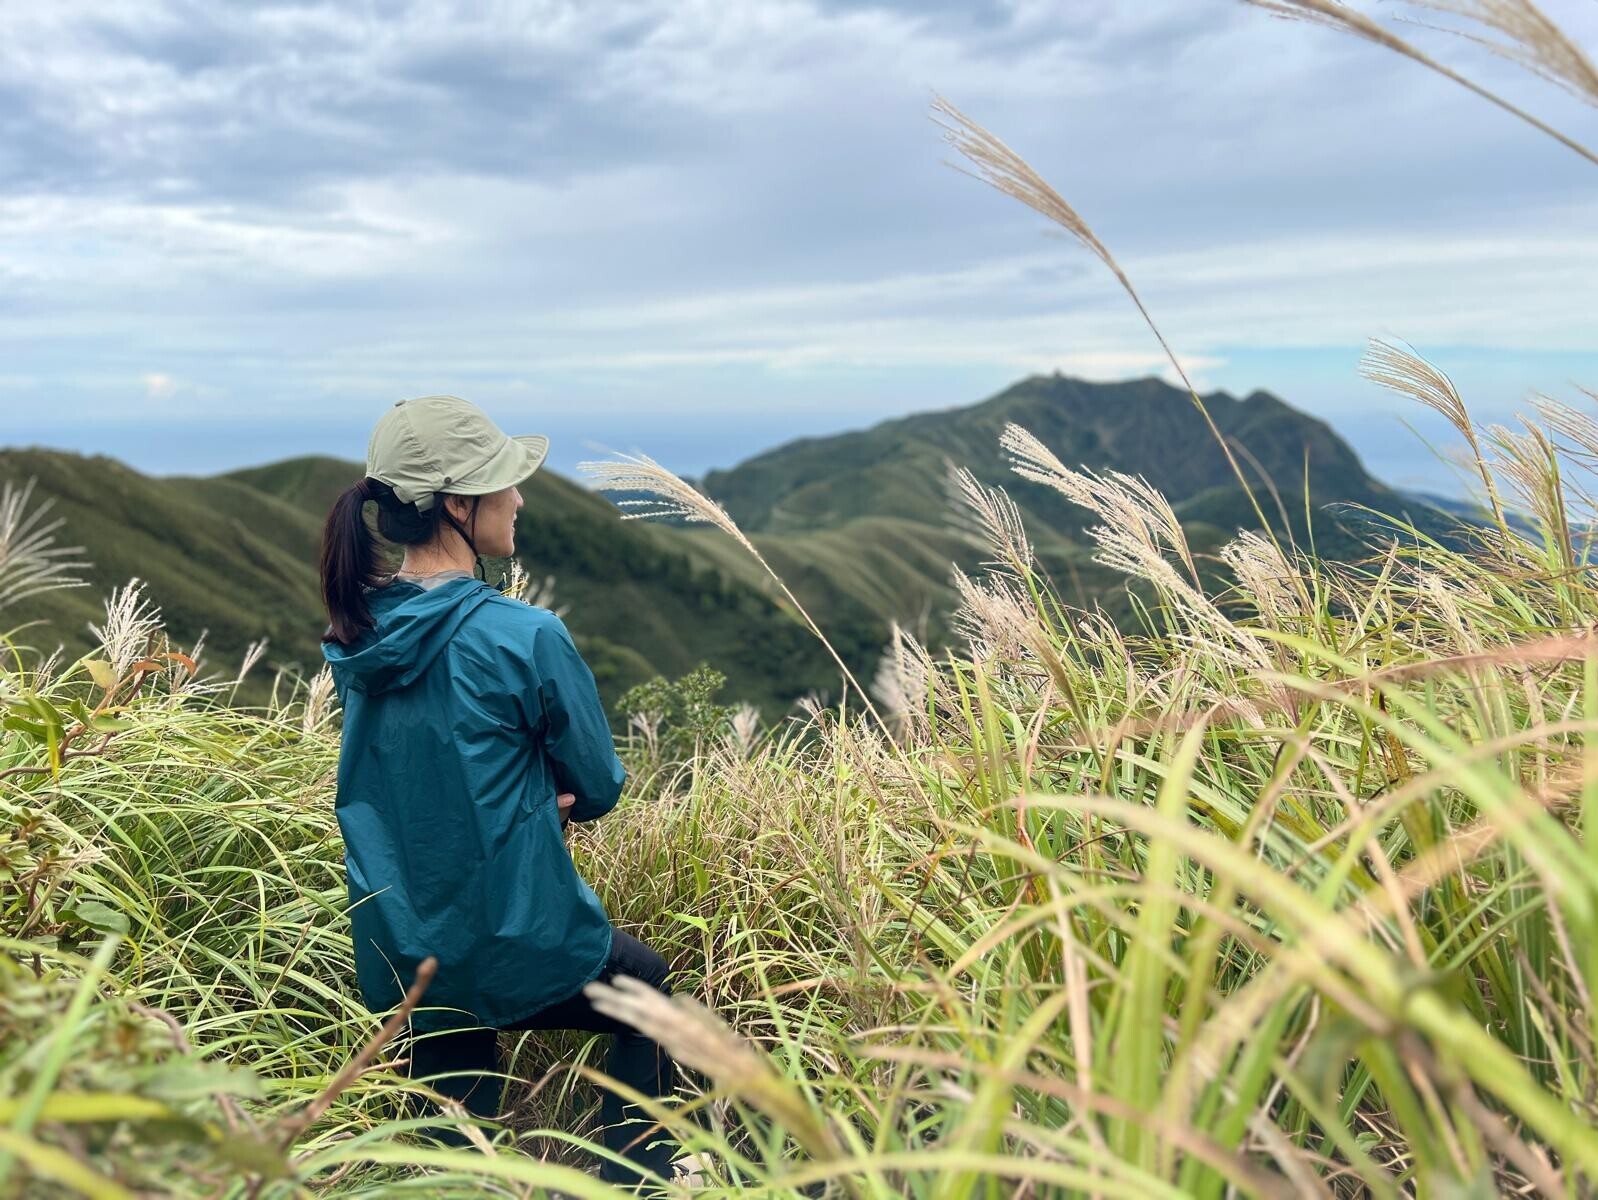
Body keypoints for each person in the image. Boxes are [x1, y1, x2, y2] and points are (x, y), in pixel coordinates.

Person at [316, 394, 679, 1189]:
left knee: (450, 1129)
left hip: (404, 944)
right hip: (514, 934)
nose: (519, 498)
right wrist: (543, 796)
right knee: (646, 991)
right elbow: (600, 785)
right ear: (457, 505)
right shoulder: (526, 635)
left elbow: (415, 775)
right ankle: (637, 1181)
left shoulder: (357, 636)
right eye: (504, 482)